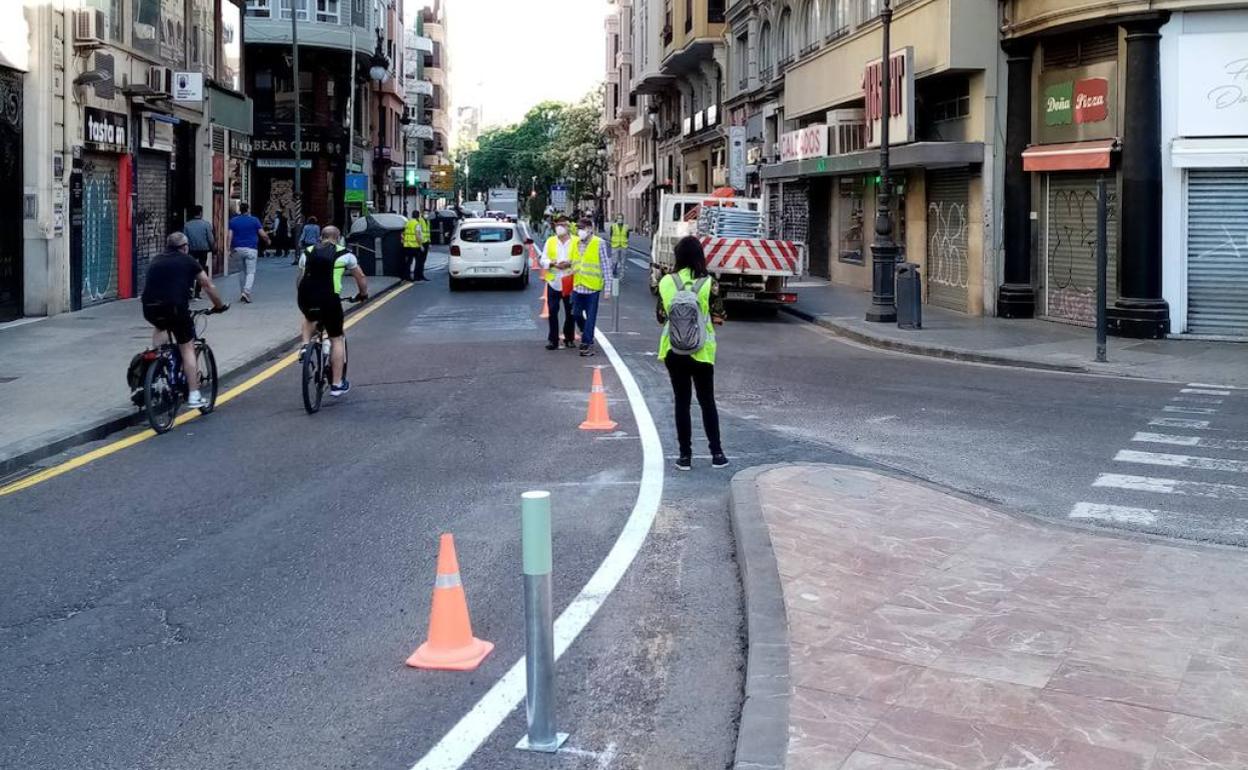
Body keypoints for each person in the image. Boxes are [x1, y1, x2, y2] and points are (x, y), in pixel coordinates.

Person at [657, 236, 728, 471]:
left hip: (673, 349)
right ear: (700, 256)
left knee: (682, 402)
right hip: (702, 351)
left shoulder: (666, 281)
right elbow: (719, 317)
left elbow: (660, 317)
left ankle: (684, 456)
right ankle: (717, 453)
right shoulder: (709, 283)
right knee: (707, 401)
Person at [141, 232, 228, 408]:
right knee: (187, 347)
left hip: (149, 307)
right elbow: (207, 285)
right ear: (185, 247)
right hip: (175, 308)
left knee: (160, 326)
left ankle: (159, 362)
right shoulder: (188, 261)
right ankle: (194, 395)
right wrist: (218, 305)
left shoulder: (156, 259)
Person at [297, 226, 368, 397]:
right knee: (336, 338)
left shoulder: (306, 252)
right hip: (330, 299)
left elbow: (300, 278)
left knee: (309, 317)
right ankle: (337, 384)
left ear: (321, 237)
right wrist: (362, 294)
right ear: (339, 237)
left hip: (307, 297)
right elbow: (361, 277)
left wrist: (301, 296)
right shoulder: (345, 254)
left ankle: (305, 346)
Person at [570, 216, 606, 357]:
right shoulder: (576, 243)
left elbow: (605, 266)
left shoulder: (599, 243)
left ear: (590, 229)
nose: (580, 231)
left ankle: (586, 343)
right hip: (578, 286)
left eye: (582, 228)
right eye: (578, 228)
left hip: (592, 287)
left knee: (591, 317)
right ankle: (587, 333)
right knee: (576, 314)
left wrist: (608, 288)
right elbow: (573, 262)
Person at [539, 215, 577, 351]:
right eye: (558, 224)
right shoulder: (550, 241)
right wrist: (552, 263)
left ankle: (569, 338)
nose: (560, 227)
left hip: (570, 280)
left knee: (571, 312)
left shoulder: (576, 241)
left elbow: (581, 260)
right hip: (554, 281)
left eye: (563, 224)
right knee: (553, 311)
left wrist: (569, 263)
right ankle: (553, 340)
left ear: (568, 226)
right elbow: (543, 260)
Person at [227, 203, 268, 303]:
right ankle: (246, 292)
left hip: (238, 249)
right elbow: (262, 234)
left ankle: (243, 293)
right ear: (248, 210)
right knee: (250, 272)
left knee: (241, 272)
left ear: (240, 210)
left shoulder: (233, 221)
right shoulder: (254, 220)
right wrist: (268, 240)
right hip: (251, 249)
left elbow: (229, 236)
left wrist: (228, 248)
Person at [182, 205, 216, 299]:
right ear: (200, 213)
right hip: (203, 250)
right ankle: (198, 292)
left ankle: (190, 289)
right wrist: (213, 249)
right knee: (201, 270)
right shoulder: (206, 224)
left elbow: (184, 239)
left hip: (191, 250)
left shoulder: (187, 225)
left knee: (190, 270)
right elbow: (211, 239)